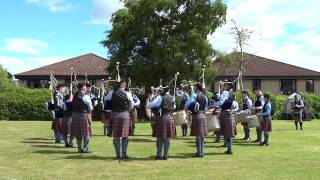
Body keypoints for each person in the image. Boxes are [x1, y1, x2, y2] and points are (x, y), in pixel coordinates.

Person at [147, 85, 176, 160]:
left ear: (163, 90)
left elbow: (149, 106)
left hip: (162, 118)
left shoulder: (160, 97)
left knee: (160, 138)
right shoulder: (172, 97)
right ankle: (166, 156)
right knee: (167, 138)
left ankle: (159, 155)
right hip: (170, 118)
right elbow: (174, 107)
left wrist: (154, 98)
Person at [108, 80, 134, 160]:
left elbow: (106, 102)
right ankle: (124, 154)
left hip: (114, 115)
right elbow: (132, 105)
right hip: (125, 115)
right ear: (125, 85)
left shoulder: (111, 92)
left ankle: (118, 155)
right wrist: (127, 111)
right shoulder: (127, 93)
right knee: (125, 136)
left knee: (116, 136)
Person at [185, 83, 208, 158]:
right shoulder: (205, 97)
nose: (194, 88)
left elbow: (187, 105)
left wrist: (187, 110)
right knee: (202, 136)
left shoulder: (194, 96)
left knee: (198, 136)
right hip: (203, 116)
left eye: (195, 87)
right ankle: (202, 153)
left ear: (197, 88)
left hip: (196, 116)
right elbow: (206, 108)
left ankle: (199, 153)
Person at [71, 83, 93, 153]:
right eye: (85, 87)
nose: (86, 88)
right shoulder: (85, 96)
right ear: (83, 88)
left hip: (74, 116)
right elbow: (90, 108)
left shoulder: (74, 96)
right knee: (86, 134)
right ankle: (85, 148)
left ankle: (79, 148)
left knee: (78, 134)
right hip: (83, 115)